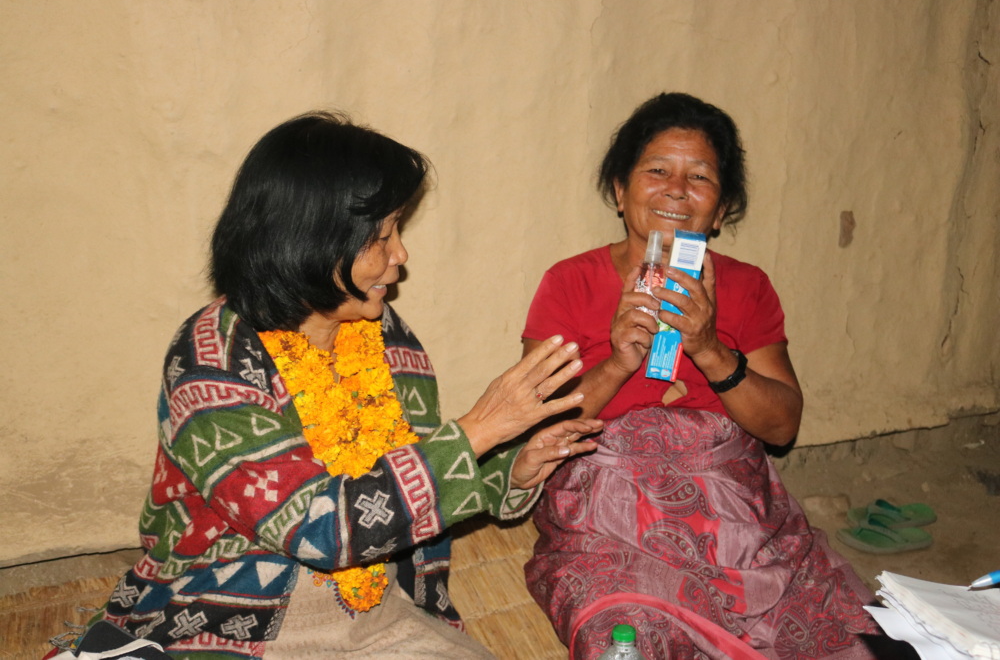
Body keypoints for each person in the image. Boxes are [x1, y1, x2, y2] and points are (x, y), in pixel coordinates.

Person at [69, 112, 601, 659]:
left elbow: (410, 483)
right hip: (226, 621)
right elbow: (318, 528)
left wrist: (513, 466)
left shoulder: (389, 337)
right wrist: (477, 428)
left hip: (380, 615)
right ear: (311, 240)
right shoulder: (211, 359)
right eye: (381, 235)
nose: (401, 254)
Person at [521, 93, 898, 659]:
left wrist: (710, 349)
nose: (676, 189)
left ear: (720, 211)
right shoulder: (569, 282)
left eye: (700, 177)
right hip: (608, 520)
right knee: (624, 640)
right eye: (657, 171)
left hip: (737, 518)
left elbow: (781, 426)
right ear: (621, 192)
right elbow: (537, 425)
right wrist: (621, 361)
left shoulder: (748, 287)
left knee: (852, 639)